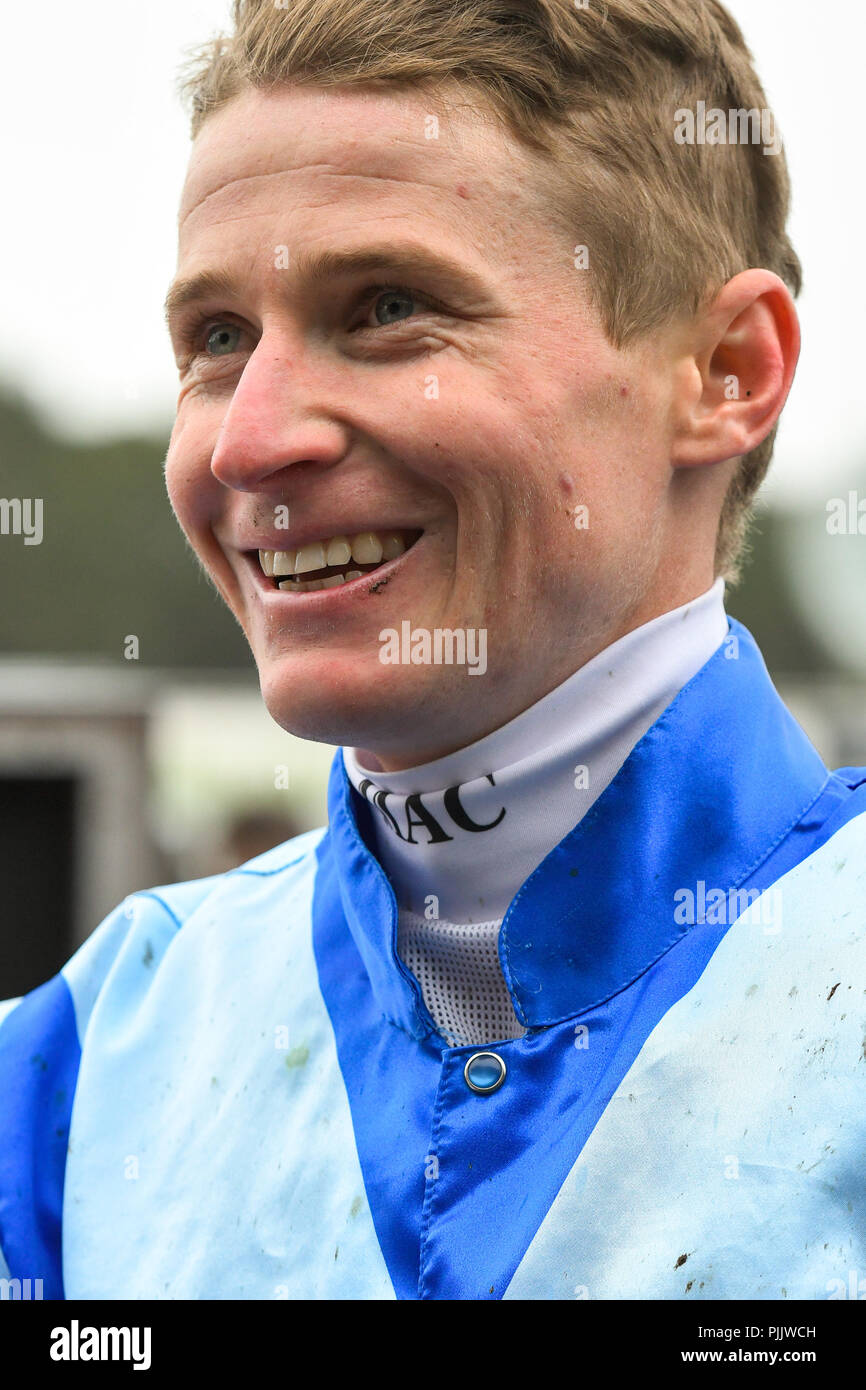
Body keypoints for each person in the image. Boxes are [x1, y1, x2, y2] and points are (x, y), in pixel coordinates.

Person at [2, 0, 864, 1302]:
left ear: (725, 370)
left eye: (388, 307)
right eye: (217, 340)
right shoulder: (83, 1057)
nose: (250, 442)